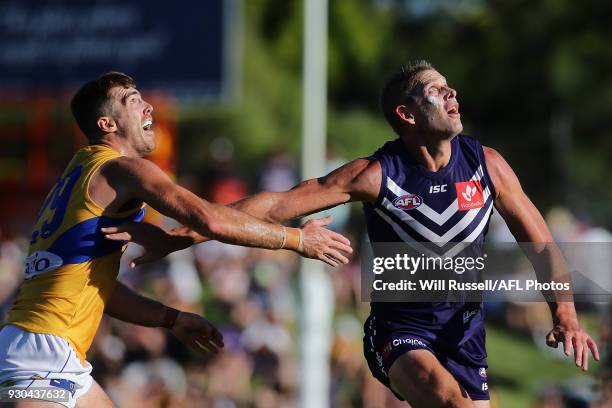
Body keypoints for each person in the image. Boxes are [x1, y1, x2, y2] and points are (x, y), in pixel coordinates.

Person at [103, 61, 600, 408]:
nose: (451, 94)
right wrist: (183, 235)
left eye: (450, 86)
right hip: (400, 332)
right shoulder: (376, 174)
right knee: (453, 405)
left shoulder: (487, 164)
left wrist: (567, 315)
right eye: (435, 89)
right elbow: (277, 205)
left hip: (465, 333)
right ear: (406, 115)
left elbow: (539, 240)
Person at [0, 72, 352, 408]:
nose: (148, 107)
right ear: (107, 124)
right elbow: (210, 219)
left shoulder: (78, 175)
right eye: (133, 100)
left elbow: (101, 290)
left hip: (46, 350)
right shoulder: (122, 169)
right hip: (41, 355)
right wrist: (296, 240)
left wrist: (171, 319)